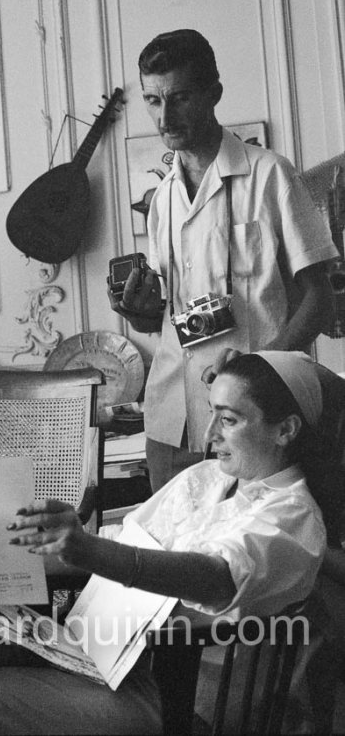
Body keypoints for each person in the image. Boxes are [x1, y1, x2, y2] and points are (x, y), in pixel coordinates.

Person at [0, 350, 329, 736]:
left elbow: (214, 577)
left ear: (285, 430)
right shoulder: (204, 478)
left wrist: (85, 550)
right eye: (211, 415)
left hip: (171, 695)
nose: (208, 437)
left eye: (228, 420)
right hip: (96, 654)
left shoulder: (292, 519)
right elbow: (121, 540)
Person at [108, 29, 337, 493]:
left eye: (179, 98)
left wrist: (261, 371)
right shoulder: (162, 201)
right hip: (172, 419)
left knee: (247, 556)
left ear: (214, 93)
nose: (164, 117)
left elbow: (321, 300)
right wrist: (140, 310)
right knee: (169, 553)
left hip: (253, 417)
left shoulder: (270, 175)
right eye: (153, 101)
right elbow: (167, 317)